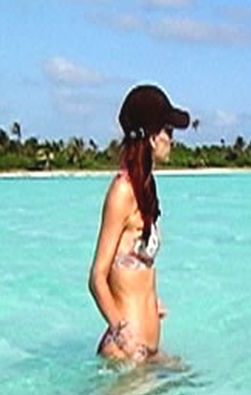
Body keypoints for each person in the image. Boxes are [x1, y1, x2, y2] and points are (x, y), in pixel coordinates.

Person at [89, 84, 189, 362]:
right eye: (168, 131)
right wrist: (123, 335)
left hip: (146, 352)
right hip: (127, 352)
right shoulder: (122, 191)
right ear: (151, 137)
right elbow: (97, 277)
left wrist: (149, 301)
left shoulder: (145, 188)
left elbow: (132, 271)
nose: (172, 139)